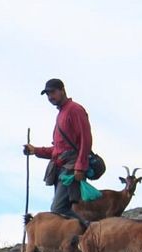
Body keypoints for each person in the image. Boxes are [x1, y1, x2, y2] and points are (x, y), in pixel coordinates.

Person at [23, 78, 92, 225]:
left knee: (59, 209)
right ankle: (79, 240)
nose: (50, 97)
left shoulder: (75, 109)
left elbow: (86, 140)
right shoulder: (61, 114)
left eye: (53, 92)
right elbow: (58, 150)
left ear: (62, 90)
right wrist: (35, 150)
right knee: (61, 210)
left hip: (71, 168)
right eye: (47, 94)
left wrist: (80, 166)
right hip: (61, 168)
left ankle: (91, 232)